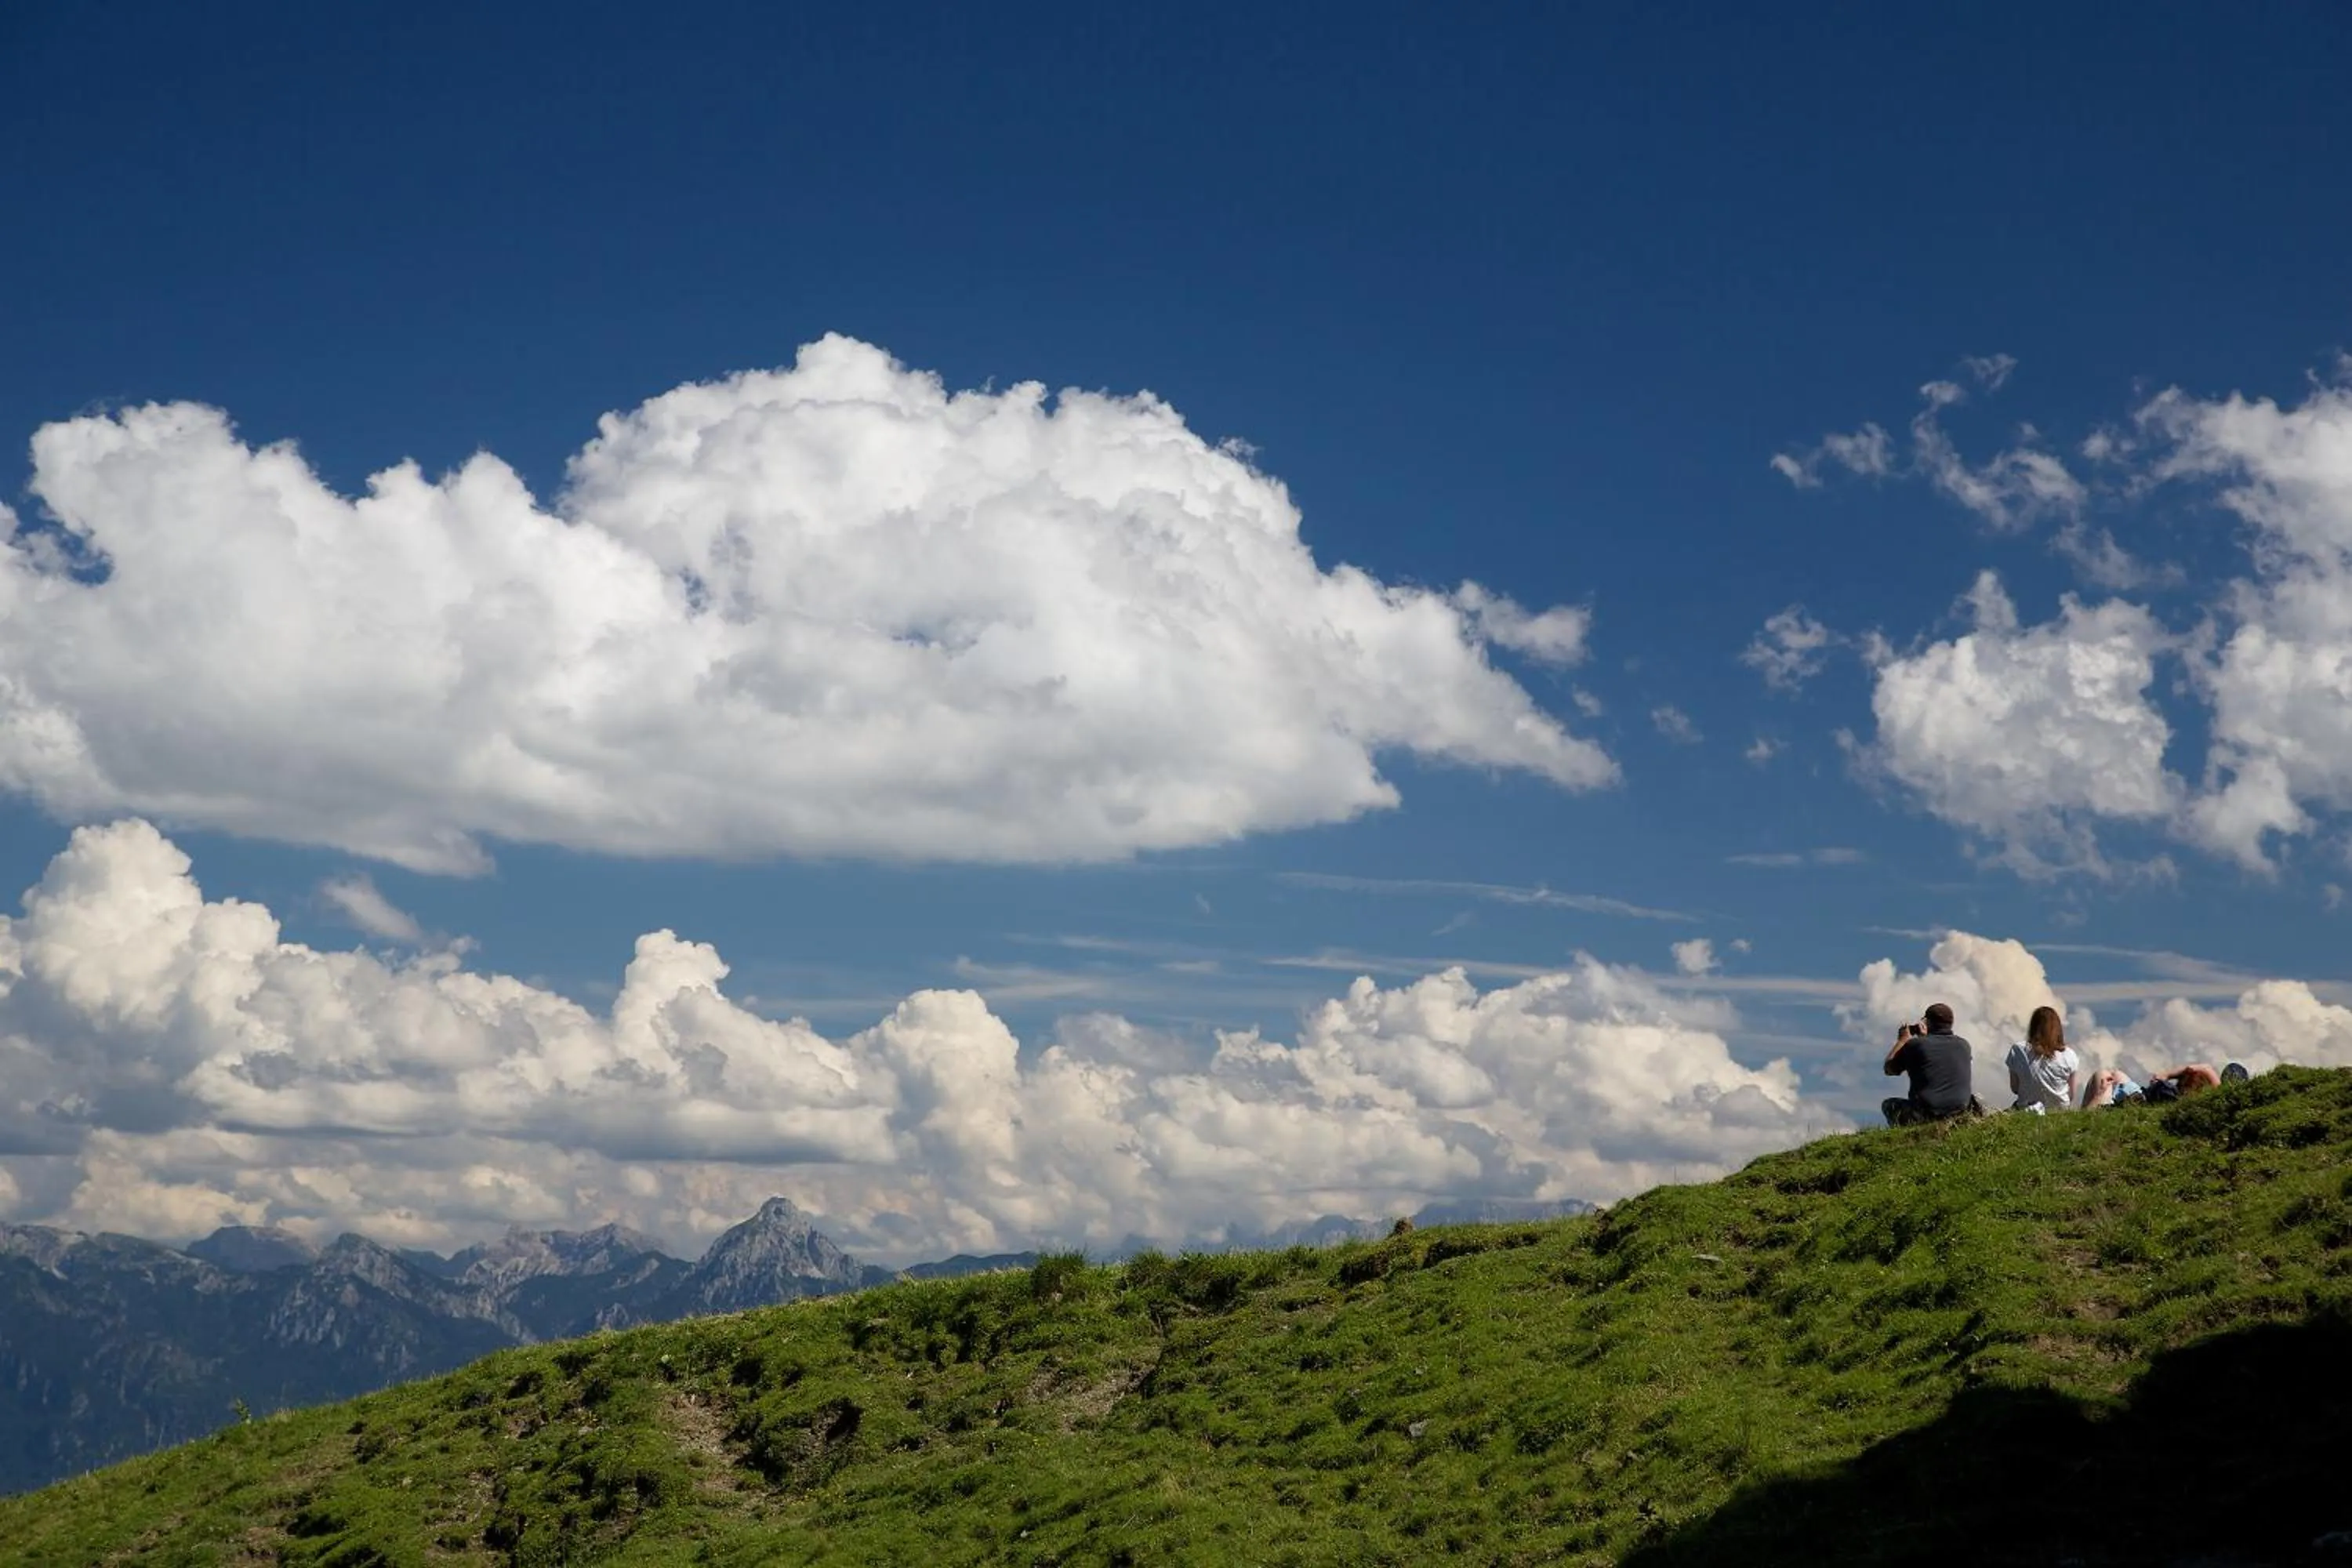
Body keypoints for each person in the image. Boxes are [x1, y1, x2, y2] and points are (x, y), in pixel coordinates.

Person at [1882, 1003, 1978, 1126]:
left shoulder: (1915, 1046)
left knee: (1889, 1105)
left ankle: (1911, 1137)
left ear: (1927, 1022)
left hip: (1927, 1114)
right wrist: (1924, 1038)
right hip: (1959, 1112)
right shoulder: (1964, 1045)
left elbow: (1890, 1069)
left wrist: (1903, 1040)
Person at [2004, 1005, 2078, 1114]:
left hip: (2027, 1109)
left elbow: (2015, 1088)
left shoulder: (2018, 1050)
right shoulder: (2069, 1055)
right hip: (2059, 1111)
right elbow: (2071, 1095)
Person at [2081, 1060, 2249, 1108]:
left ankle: (2084, 1122)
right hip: (2135, 1092)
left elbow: (2203, 1068)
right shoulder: (2175, 1095)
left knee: (2104, 1075)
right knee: (2112, 1074)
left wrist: (2166, 1074)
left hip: (2132, 1095)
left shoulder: (2218, 1095)